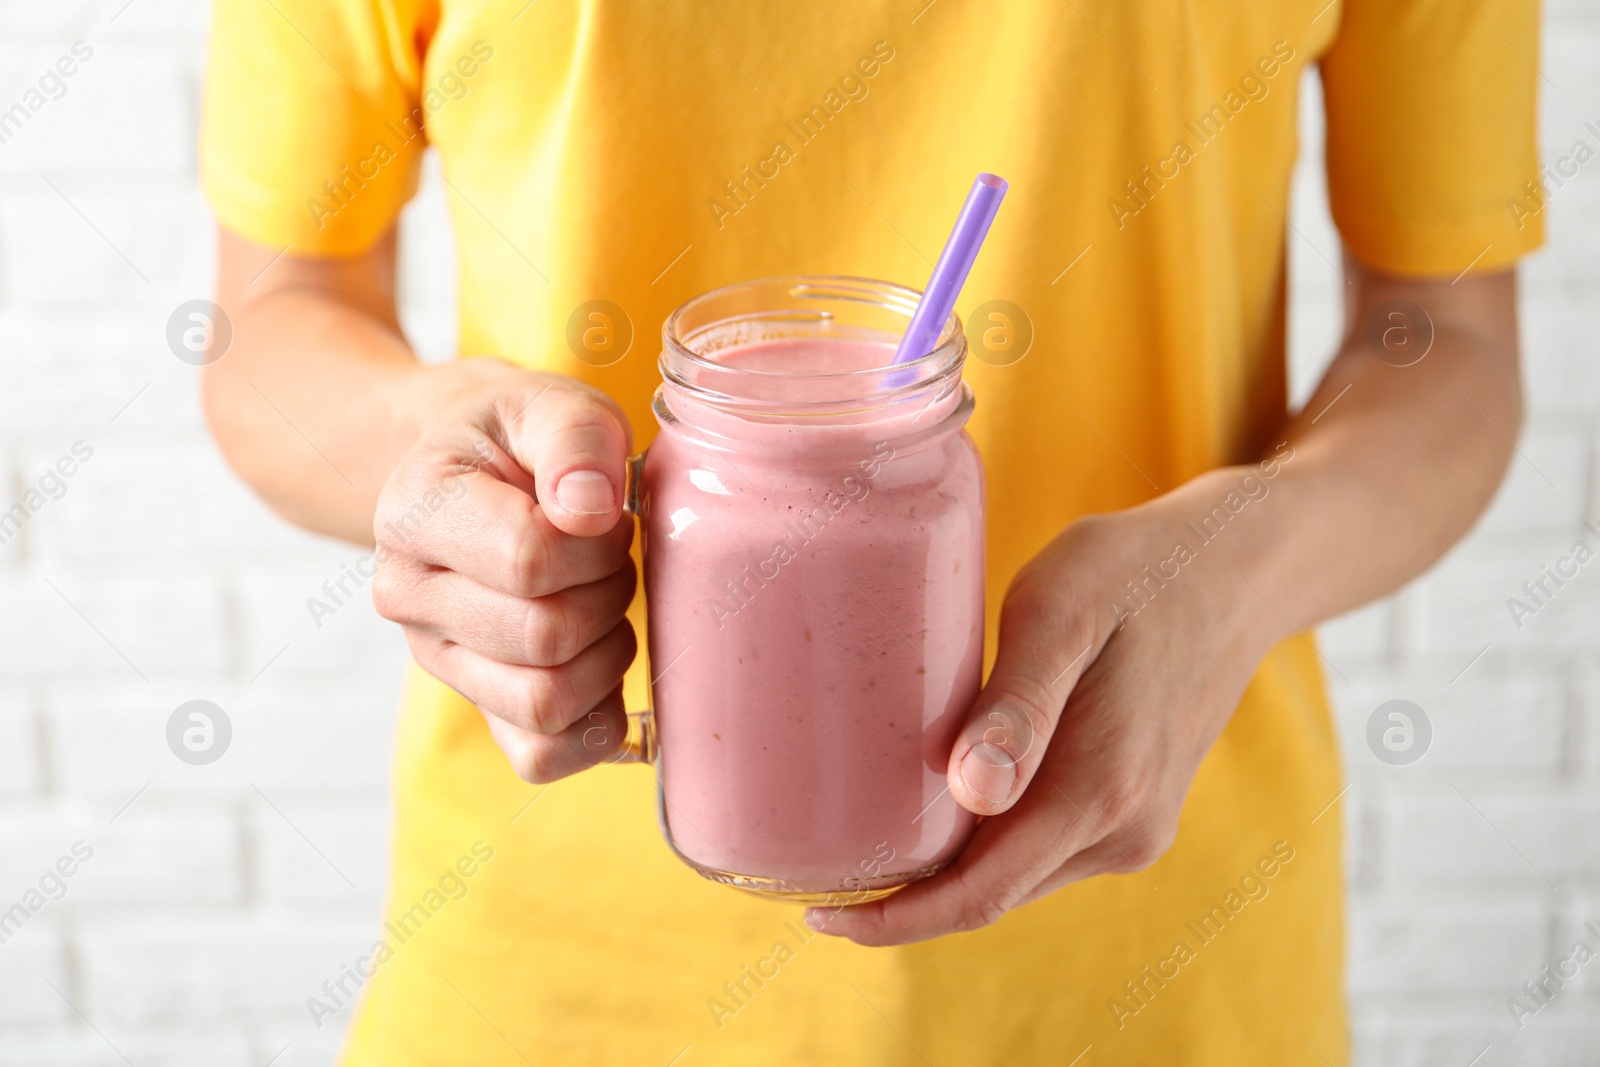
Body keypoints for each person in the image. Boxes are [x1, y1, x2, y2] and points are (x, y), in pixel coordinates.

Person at [198, 1, 1540, 1063]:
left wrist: (1241, 563)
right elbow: (273, 316)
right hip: (556, 974)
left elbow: (1451, 337)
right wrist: (435, 468)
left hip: (1160, 966)